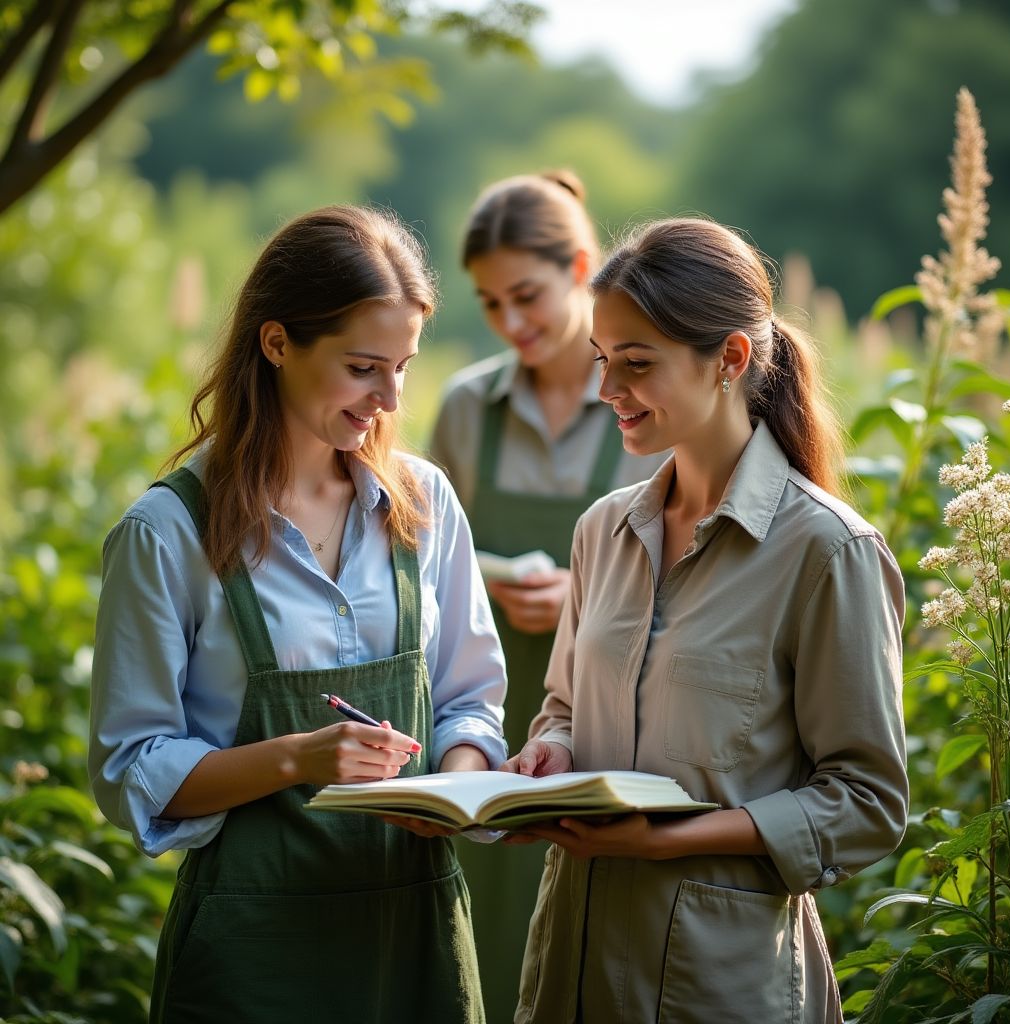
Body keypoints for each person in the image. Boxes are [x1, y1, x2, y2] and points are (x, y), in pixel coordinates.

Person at [88, 206, 507, 1024]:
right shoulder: (168, 532)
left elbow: (469, 700)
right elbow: (130, 765)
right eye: (362, 368)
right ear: (276, 344)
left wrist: (451, 789)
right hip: (252, 950)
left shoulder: (423, 506)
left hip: (411, 932)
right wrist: (295, 758)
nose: (389, 398)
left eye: (403, 367)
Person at [504, 217, 909, 1023]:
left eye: (637, 363)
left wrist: (668, 840)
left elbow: (867, 801)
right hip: (569, 971)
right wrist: (548, 748)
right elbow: (564, 707)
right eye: (602, 360)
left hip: (718, 985)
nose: (606, 390)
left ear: (729, 359)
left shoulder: (827, 552)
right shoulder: (602, 531)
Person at [428, 171, 665, 1021]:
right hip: (484, 723)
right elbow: (420, 556)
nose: (510, 322)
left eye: (524, 295)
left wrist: (585, 592)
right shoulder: (466, 407)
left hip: (601, 722)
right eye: (490, 305)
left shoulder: (644, 403)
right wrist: (495, 578)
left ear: (580, 268)